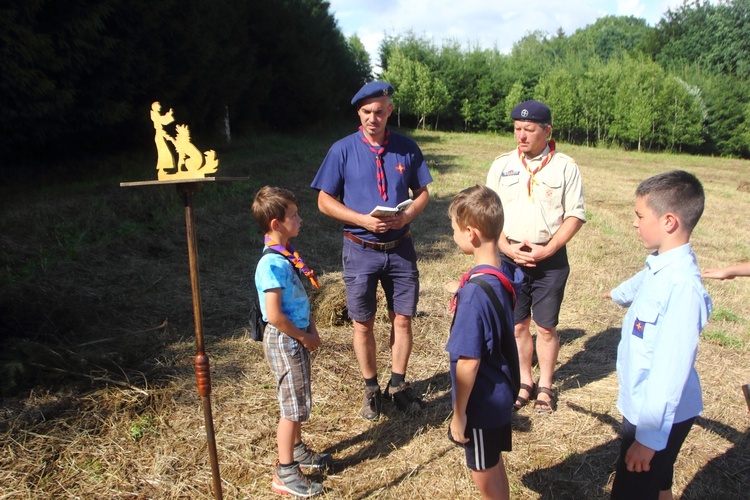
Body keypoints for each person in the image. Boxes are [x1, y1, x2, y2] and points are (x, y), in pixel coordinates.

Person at [311, 81, 433, 420]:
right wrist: (361, 220)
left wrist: (407, 214)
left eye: (379, 112)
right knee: (362, 323)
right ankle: (370, 389)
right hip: (360, 249)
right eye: (366, 112)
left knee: (403, 319)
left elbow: (423, 191)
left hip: (401, 249)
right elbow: (323, 200)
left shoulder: (407, 148)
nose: (373, 118)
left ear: (389, 111)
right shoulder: (342, 150)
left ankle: (398, 385)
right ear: (358, 113)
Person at [606, 170, 712, 500]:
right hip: (644, 408)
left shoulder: (681, 287)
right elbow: (638, 285)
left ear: (668, 221)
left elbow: (670, 372)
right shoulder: (661, 264)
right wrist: (615, 294)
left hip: (655, 418)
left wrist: (649, 440)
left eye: (640, 215)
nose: (635, 223)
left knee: (632, 492)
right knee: (659, 484)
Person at [485, 100, 586, 413]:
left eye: (529, 130)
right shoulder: (502, 165)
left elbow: (575, 215)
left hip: (550, 259)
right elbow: (488, 212)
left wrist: (549, 249)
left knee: (545, 328)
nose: (521, 136)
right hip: (510, 256)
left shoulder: (565, 167)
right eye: (517, 129)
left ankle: (546, 386)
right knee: (517, 326)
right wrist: (504, 246)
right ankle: (524, 381)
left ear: (547, 131)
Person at [252, 186, 332, 497]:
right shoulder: (270, 264)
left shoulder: (283, 257)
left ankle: (297, 451)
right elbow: (273, 315)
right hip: (286, 339)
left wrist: (311, 329)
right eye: (293, 216)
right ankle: (285, 472)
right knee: (291, 408)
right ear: (276, 224)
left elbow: (295, 301)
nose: (299, 220)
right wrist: (303, 336)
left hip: (296, 336)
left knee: (298, 401)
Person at [445, 185, 523, 499]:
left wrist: (459, 414)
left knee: (483, 471)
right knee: (492, 462)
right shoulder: (501, 273)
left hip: (480, 402)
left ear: (472, 234)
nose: (452, 236)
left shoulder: (474, 295)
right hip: (500, 391)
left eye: (454, 230)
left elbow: (468, 361)